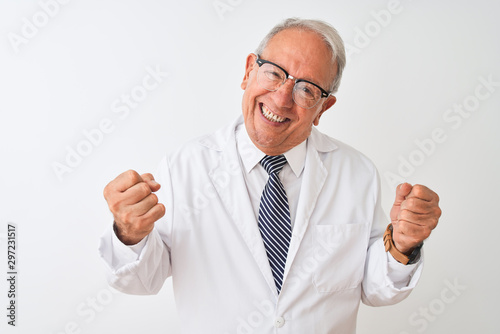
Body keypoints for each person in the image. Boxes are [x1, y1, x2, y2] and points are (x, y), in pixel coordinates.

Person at [99, 18, 441, 333]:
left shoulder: (357, 173)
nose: (281, 99)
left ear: (323, 108)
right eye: (274, 73)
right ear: (249, 71)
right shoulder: (185, 166)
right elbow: (141, 282)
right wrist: (129, 233)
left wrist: (402, 245)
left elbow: (376, 288)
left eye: (306, 89)